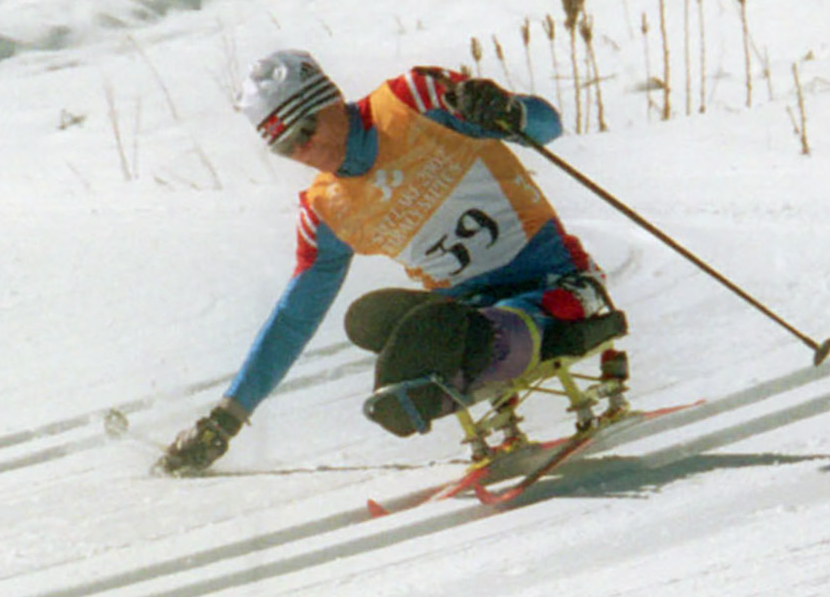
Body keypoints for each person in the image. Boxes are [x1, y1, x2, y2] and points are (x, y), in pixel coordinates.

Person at [156, 50, 618, 476]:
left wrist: (507, 112)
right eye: (285, 147)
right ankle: (447, 367)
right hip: (466, 309)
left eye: (305, 130)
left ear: (331, 100)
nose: (305, 151)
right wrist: (227, 419)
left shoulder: (412, 100)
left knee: (437, 334)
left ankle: (467, 357)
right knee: (367, 319)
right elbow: (295, 317)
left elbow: (547, 125)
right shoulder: (326, 208)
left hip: (552, 285)